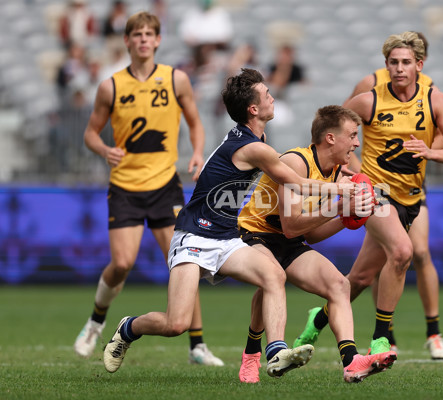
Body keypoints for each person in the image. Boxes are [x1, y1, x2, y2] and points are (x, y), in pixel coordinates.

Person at [102, 68, 356, 378]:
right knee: (176, 324)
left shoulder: (254, 138)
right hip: (194, 235)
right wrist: (342, 190)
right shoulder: (255, 148)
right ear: (253, 109)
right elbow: (297, 183)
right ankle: (128, 328)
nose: (272, 97)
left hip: (226, 237)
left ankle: (275, 352)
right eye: (266, 95)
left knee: (274, 274)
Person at [295, 32, 443, 358]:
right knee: (404, 252)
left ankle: (317, 320)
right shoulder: (369, 100)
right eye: (393, 63)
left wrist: (430, 152)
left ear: (419, 65)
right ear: (385, 65)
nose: (399, 68)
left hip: (412, 198)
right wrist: (342, 165)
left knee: (359, 278)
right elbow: (329, 129)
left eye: (405, 62)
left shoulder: (435, 100)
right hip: (377, 193)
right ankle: (381, 337)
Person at [74, 11, 224, 367]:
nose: (142, 39)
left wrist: (199, 153)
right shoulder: (111, 86)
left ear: (158, 40)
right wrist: (103, 148)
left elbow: (195, 122)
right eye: (136, 34)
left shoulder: (175, 80)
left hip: (164, 187)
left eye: (148, 34)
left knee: (186, 261)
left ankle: (198, 346)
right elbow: (90, 132)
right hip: (125, 186)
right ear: (127, 41)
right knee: (122, 264)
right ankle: (96, 320)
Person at [237, 105, 396, 383]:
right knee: (271, 276)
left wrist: (347, 217)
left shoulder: (335, 171)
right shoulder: (296, 162)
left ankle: (351, 362)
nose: (357, 142)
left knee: (340, 285)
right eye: (352, 135)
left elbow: (309, 235)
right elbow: (291, 225)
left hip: (289, 240)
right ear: (331, 138)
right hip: (256, 233)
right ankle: (252, 355)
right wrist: (339, 207)